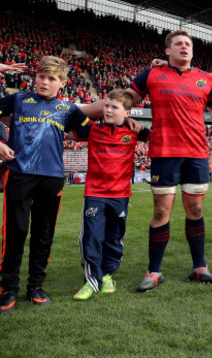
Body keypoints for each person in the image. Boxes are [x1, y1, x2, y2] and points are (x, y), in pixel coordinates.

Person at [81, 29, 212, 292]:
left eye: (188, 44)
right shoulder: (153, 74)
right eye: (178, 44)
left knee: (196, 211)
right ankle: (154, 271)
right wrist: (72, 112)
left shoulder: (205, 80)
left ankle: (199, 266)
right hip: (164, 152)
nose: (184, 47)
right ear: (167, 51)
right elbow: (120, 101)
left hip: (197, 154)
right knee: (161, 211)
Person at [0, 56, 90, 313]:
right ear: (35, 77)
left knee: (43, 234)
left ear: (62, 83)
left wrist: (128, 124)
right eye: (41, 76)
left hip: (51, 178)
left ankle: (36, 286)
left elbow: (93, 132)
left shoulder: (69, 109)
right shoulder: (18, 100)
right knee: (15, 232)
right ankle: (8, 289)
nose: (44, 82)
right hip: (19, 173)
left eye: (51, 78)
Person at [71, 89, 151, 300]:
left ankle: (107, 274)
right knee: (92, 238)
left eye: (114, 107)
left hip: (121, 195)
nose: (108, 110)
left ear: (127, 112)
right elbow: (66, 129)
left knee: (115, 239)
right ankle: (92, 280)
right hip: (95, 194)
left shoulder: (135, 131)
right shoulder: (92, 129)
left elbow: (159, 137)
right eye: (106, 105)